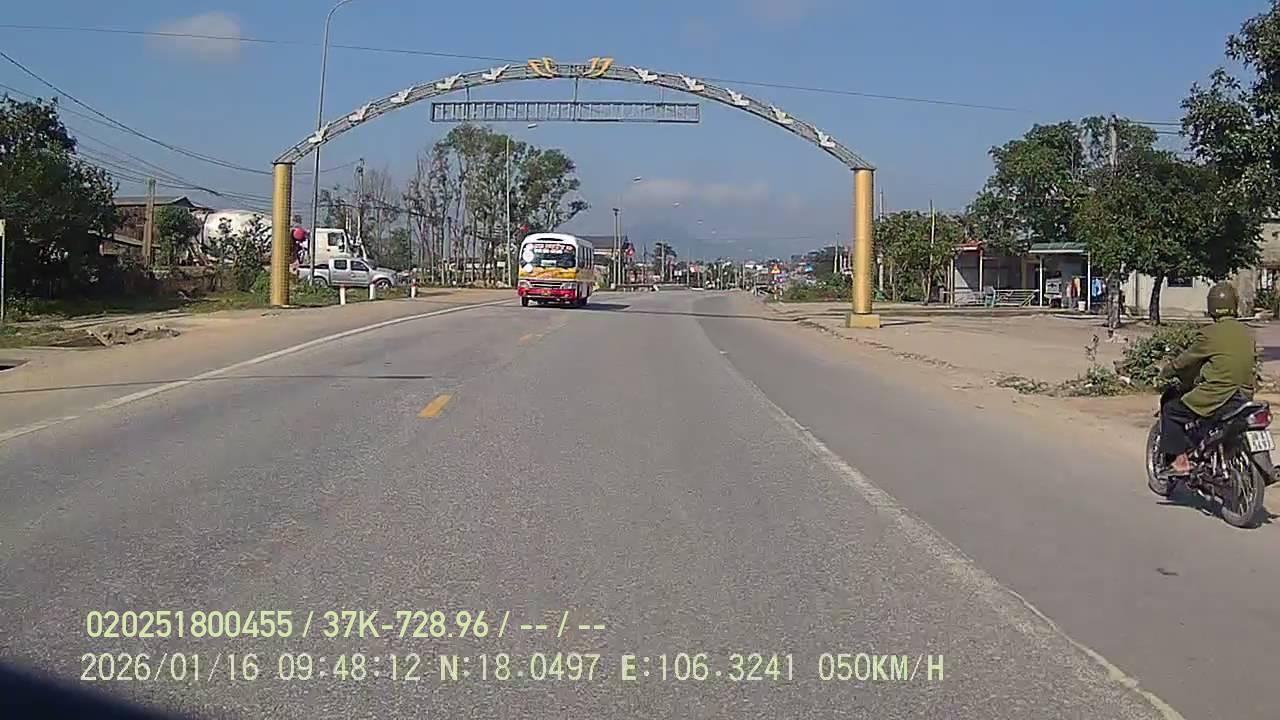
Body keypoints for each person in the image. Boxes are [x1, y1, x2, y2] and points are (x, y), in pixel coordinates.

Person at [1157, 281, 1258, 475]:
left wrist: (1167, 370)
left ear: (1211, 306)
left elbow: (1185, 362)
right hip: (1244, 396)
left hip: (1218, 397)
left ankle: (1180, 461)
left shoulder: (1209, 334)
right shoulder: (1247, 332)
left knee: (1171, 410)